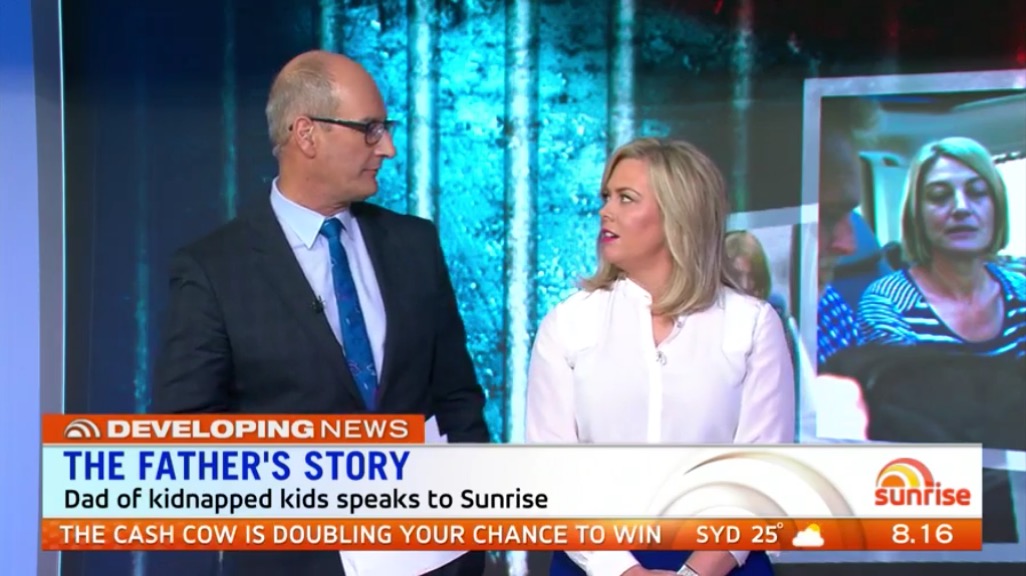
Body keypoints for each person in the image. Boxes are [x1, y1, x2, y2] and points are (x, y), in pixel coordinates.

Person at [152, 50, 489, 576]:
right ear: (306, 134)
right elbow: (185, 438)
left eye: (386, 129)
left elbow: (457, 397)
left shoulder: (414, 244)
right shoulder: (213, 269)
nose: (388, 147)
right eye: (370, 129)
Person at [526, 138, 794, 576]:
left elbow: (763, 479)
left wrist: (694, 573)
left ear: (678, 213)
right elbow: (550, 472)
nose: (605, 212)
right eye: (606, 197)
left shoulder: (751, 325)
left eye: (626, 198)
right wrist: (621, 570)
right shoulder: (569, 324)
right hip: (594, 561)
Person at [857, 136, 1026, 356]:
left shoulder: (1020, 292)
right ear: (917, 214)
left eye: (977, 192)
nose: (961, 208)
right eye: (939, 196)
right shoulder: (888, 304)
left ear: (997, 207)